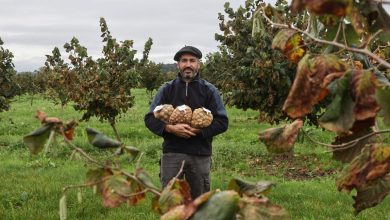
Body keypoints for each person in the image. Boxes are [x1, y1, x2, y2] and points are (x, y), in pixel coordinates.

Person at [144, 45, 228, 199]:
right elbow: (149, 118)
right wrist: (170, 128)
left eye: (192, 60)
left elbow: (222, 122)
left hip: (200, 154)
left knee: (200, 201)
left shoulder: (209, 90)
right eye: (184, 61)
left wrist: (199, 131)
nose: (188, 64)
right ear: (178, 65)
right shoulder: (167, 89)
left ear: (198, 64)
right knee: (170, 200)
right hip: (172, 154)